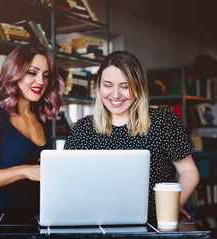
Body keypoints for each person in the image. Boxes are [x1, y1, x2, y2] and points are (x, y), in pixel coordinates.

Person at [64, 51, 200, 223]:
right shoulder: (83, 128)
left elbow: (189, 172)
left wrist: (173, 205)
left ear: (138, 87)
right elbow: (70, 180)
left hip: (151, 223)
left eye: (125, 86)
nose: (115, 94)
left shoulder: (163, 121)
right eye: (107, 85)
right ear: (98, 87)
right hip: (95, 222)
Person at [0, 44, 65, 217]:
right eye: (32, 72)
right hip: (1, 220)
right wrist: (24, 171)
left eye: (46, 75)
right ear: (15, 73)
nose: (40, 81)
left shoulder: (42, 118)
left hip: (37, 217)